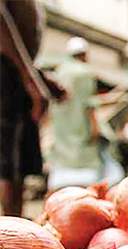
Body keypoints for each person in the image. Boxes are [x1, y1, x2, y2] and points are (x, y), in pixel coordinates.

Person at [1, 1, 52, 216]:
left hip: (14, 75)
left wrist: (35, 76)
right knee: (8, 161)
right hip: (7, 75)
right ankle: (11, 232)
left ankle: (14, 229)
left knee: (17, 162)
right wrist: (29, 77)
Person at [46, 37, 103, 191]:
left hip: (61, 139)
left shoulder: (59, 73)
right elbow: (89, 105)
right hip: (82, 140)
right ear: (84, 54)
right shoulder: (84, 73)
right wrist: (95, 129)